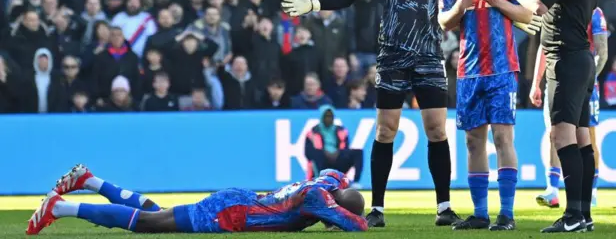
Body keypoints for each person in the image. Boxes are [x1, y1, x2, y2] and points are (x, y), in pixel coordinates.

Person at [281, 0, 461, 227]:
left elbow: (455, 2)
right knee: (385, 129)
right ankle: (377, 208)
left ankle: (444, 207)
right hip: (392, 56)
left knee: (437, 130)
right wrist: (314, 4)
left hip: (430, 55)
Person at [500, 0, 599, 233]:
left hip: (566, 59)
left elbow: (536, 8)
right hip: (582, 59)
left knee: (561, 135)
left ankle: (571, 215)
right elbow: (569, 2)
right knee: (582, 139)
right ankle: (583, 215)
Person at [438, 0, 536, 231]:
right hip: (468, 72)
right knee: (473, 142)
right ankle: (481, 214)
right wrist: (462, 5)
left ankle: (506, 214)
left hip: (503, 68)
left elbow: (527, 13)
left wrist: (499, 2)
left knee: (503, 138)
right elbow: (443, 22)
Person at [26, 165, 367, 235]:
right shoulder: (319, 198)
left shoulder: (327, 181)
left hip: (240, 202)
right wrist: (356, 216)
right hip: (234, 214)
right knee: (151, 224)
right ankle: (61, 207)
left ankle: (90, 180)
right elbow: (357, 227)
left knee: (160, 213)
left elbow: (336, 173)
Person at [531, 7, 608, 209]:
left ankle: (591, 190)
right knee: (554, 134)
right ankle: (553, 190)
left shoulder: (594, 13)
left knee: (587, 136)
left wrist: (589, 79)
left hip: (583, 81)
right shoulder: (554, 8)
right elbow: (544, 46)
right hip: (557, 80)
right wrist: (536, 82)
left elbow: (602, 51)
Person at [304, 105, 364, 187]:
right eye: (326, 116)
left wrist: (337, 153)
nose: (329, 118)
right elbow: (308, 153)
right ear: (322, 117)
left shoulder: (341, 130)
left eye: (331, 116)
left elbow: (346, 148)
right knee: (317, 154)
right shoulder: (312, 132)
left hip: (338, 159)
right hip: (322, 162)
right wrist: (325, 153)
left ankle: (356, 182)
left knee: (358, 152)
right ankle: (319, 180)